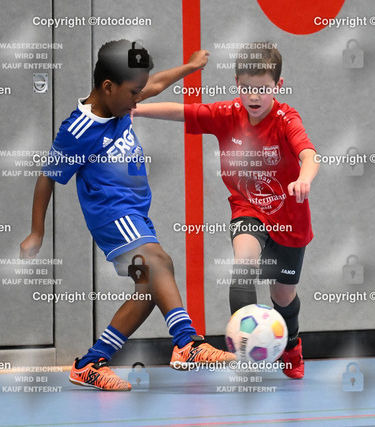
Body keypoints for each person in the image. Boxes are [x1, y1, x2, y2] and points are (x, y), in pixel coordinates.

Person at [20, 39, 235, 391]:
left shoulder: (120, 103)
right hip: (112, 215)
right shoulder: (77, 130)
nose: (138, 101)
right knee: (160, 262)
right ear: (108, 87)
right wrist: (36, 231)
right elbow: (48, 176)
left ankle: (90, 363)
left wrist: (190, 66)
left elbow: (157, 83)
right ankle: (187, 342)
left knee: (149, 289)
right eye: (134, 93)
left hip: (135, 214)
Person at [134, 43, 319, 379]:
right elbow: (182, 112)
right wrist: (135, 109)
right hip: (248, 209)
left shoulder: (286, 119)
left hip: (290, 221)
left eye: (262, 88)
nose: (254, 96)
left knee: (283, 296)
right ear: (236, 83)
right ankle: (248, 353)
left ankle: (291, 343)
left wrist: (304, 179)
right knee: (244, 265)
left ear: (278, 86)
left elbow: (309, 154)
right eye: (247, 88)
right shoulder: (227, 114)